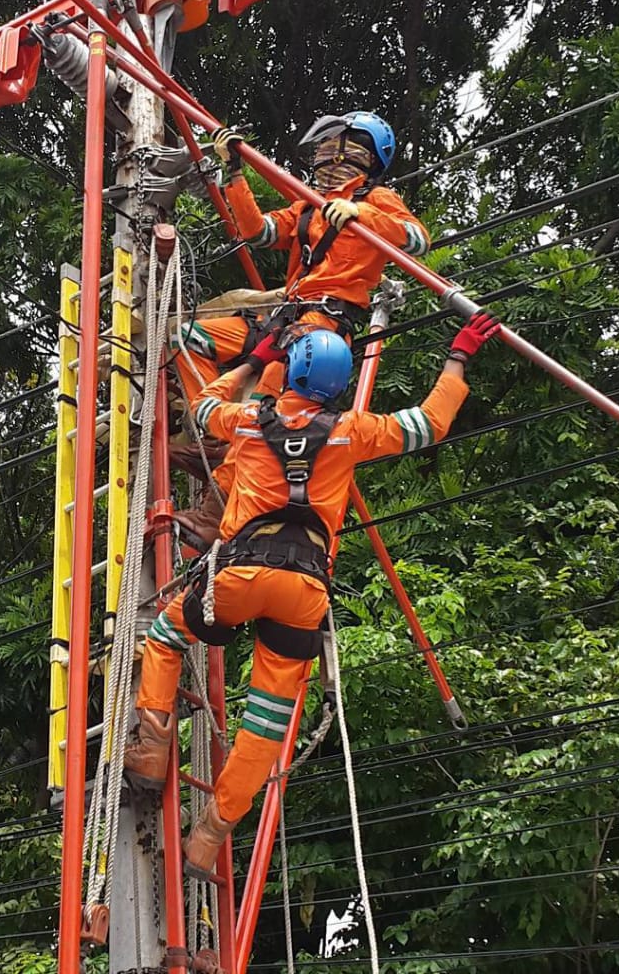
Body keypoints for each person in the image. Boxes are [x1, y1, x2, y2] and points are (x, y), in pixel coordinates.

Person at [126, 311, 500, 878]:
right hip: (303, 591)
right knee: (267, 723)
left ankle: (152, 749)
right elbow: (429, 423)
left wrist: (254, 360)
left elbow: (204, 407)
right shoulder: (351, 430)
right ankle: (209, 834)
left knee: (166, 633)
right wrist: (458, 356)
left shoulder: (250, 421)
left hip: (240, 574)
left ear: (293, 373)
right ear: (338, 384)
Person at [171, 111, 430, 544]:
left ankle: (214, 513)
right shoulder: (308, 205)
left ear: (362, 157)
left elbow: (417, 239)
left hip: (322, 327)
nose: (328, 163)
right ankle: (212, 438)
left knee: (264, 410)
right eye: (324, 155)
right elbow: (257, 231)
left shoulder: (378, 200)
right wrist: (234, 174)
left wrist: (362, 215)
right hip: (284, 316)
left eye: (337, 153)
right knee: (189, 338)